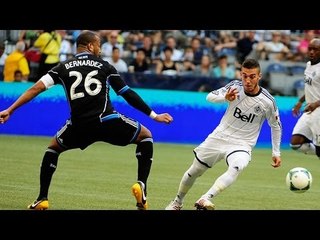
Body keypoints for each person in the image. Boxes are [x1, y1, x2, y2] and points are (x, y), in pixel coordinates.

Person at [0, 30, 173, 210]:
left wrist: (10, 109)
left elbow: (35, 88)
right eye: (98, 44)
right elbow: (126, 93)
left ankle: (42, 198)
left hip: (79, 125)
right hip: (106, 120)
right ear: (90, 46)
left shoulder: (62, 67)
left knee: (52, 149)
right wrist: (154, 115)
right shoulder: (105, 66)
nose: (100, 48)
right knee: (145, 136)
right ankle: (141, 186)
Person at [165, 58, 282, 210]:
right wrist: (224, 98)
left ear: (259, 76)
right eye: (244, 75)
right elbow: (210, 96)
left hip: (242, 144)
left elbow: (276, 126)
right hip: (219, 136)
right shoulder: (234, 86)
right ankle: (177, 202)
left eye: (252, 76)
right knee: (195, 171)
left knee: (237, 166)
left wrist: (276, 151)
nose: (247, 80)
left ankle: (205, 198)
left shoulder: (268, 101)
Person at [290, 38, 320, 158]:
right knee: (295, 143)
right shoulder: (308, 65)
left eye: (316, 49)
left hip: (318, 111)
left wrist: (315, 104)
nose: (312, 52)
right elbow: (309, 87)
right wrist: (300, 101)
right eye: (310, 49)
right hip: (309, 109)